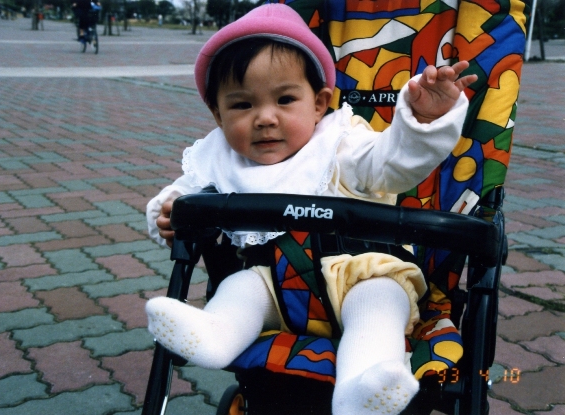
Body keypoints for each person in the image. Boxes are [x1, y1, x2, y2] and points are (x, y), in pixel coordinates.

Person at [145, 4, 476, 414]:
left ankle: (362, 389)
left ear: (319, 103)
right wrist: (167, 213)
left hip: (361, 272)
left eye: (285, 99)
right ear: (217, 113)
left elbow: (394, 164)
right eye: (242, 105)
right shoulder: (217, 160)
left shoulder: (341, 144)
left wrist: (422, 123)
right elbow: (180, 196)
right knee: (241, 288)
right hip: (276, 286)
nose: (265, 118)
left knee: (379, 303)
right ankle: (213, 335)